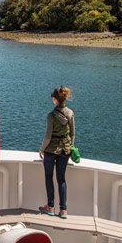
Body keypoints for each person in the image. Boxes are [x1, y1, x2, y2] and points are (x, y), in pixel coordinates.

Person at [39, 86, 75, 219]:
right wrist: (70, 147)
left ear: (55, 99)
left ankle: (50, 206)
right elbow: (72, 134)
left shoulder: (51, 116)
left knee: (49, 176)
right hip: (64, 150)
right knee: (61, 179)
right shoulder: (70, 113)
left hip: (51, 150)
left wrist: (42, 148)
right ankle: (63, 210)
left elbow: (48, 136)